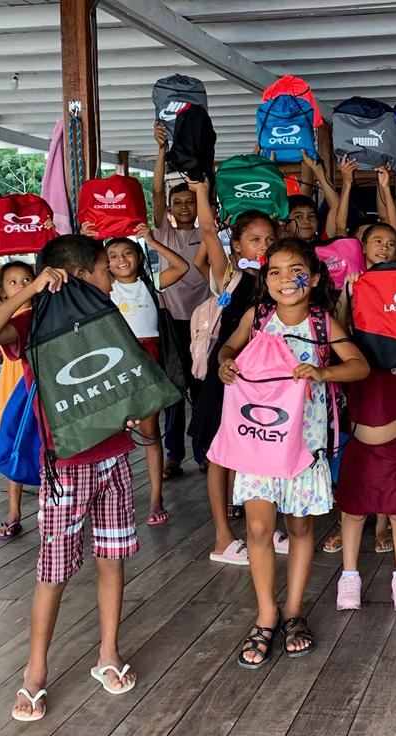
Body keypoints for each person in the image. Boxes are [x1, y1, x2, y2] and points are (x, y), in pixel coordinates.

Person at [0, 235, 138, 722]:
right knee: (54, 572)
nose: (113, 278)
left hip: (113, 457)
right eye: (105, 269)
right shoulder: (34, 325)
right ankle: (35, 672)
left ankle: (108, 652)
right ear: (80, 276)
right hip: (65, 468)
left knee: (112, 559)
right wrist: (31, 290)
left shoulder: (106, 318)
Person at [218, 238, 368, 668]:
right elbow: (227, 348)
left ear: (315, 278)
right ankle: (267, 614)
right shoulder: (257, 317)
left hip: (304, 445)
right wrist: (225, 363)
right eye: (275, 272)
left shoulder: (322, 323)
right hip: (258, 442)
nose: (285, 280)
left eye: (296, 271)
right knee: (258, 528)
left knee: (300, 527)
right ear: (266, 280)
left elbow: (359, 366)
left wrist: (323, 371)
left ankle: (294, 611)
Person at [334, 222, 396, 610]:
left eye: (392, 243)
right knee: (353, 512)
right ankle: (349, 577)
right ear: (362, 246)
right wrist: (348, 295)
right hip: (360, 442)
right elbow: (337, 332)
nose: (385, 247)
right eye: (377, 241)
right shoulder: (354, 287)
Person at [188, 179, 278, 566]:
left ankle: (263, 529)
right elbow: (209, 231)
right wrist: (200, 191)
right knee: (220, 454)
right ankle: (223, 538)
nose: (263, 246)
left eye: (269, 239)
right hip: (226, 374)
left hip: (263, 379)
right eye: (255, 240)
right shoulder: (231, 275)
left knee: (258, 450)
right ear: (237, 246)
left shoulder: (279, 277)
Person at [105, 227, 190, 525]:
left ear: (140, 257)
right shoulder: (105, 288)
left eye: (128, 253)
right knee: (117, 434)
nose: (121, 259)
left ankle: (156, 500)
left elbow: (182, 266)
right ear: (105, 263)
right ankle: (117, 499)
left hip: (149, 360)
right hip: (117, 362)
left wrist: (151, 241)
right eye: (113, 256)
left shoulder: (150, 283)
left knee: (150, 432)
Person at [152, 122, 211, 479]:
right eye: (179, 203)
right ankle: (174, 455)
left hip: (204, 325)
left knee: (203, 392)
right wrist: (162, 150)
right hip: (171, 323)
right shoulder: (163, 233)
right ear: (171, 209)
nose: (185, 206)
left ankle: (203, 453)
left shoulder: (210, 234)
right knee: (173, 392)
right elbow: (157, 190)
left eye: (191, 201)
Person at [0, 257, 35, 540]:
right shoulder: (1, 315)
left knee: (40, 443)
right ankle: (14, 512)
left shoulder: (42, 311)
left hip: (35, 387)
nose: (21, 286)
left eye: (27, 280)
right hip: (13, 387)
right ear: (2, 291)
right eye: (13, 283)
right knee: (14, 446)